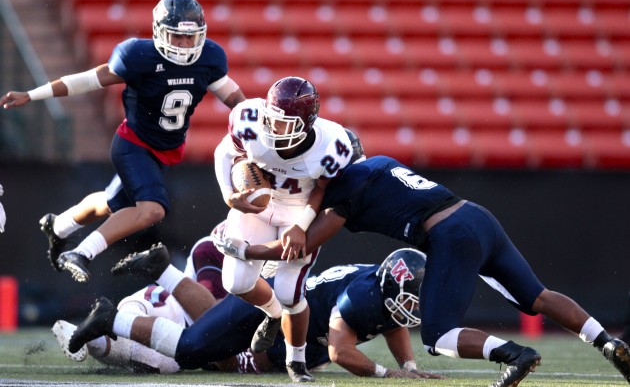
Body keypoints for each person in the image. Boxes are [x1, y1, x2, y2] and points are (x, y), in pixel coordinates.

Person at [213, 132, 630, 387]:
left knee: (437, 336)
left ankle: (515, 355)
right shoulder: (379, 163)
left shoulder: (346, 186)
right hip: (476, 215)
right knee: (536, 295)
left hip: (449, 233)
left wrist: (244, 249)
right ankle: (607, 343)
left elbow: (300, 245)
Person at [0, 0, 246, 283]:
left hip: (163, 151)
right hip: (133, 145)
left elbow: (235, 99)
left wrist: (257, 123)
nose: (183, 45)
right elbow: (89, 79)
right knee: (152, 210)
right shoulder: (138, 56)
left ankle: (59, 227)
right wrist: (32, 94)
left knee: (110, 203)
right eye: (175, 37)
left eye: (189, 38)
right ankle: (81, 253)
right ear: (159, 32)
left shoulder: (209, 58)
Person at [60, 242, 444, 380]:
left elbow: (393, 322)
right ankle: (112, 319)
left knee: (215, 337)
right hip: (275, 316)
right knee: (193, 351)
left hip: (286, 319)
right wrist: (386, 373)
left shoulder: (378, 289)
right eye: (412, 294)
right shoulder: (361, 298)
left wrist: (409, 367)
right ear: (389, 284)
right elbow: (339, 352)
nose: (414, 304)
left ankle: (162, 269)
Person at [212, 76, 353, 381]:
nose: (274, 128)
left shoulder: (332, 142)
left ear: (307, 124)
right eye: (272, 119)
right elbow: (224, 153)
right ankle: (274, 314)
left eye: (284, 123)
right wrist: (228, 193)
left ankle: (296, 361)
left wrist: (302, 226)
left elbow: (324, 191)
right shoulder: (250, 120)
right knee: (235, 281)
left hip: (299, 210)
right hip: (260, 205)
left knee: (290, 292)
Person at [52, 222, 229, 373]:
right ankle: (100, 328)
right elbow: (215, 320)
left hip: (185, 325)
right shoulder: (217, 246)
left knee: (153, 360)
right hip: (170, 309)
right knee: (162, 359)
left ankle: (89, 336)